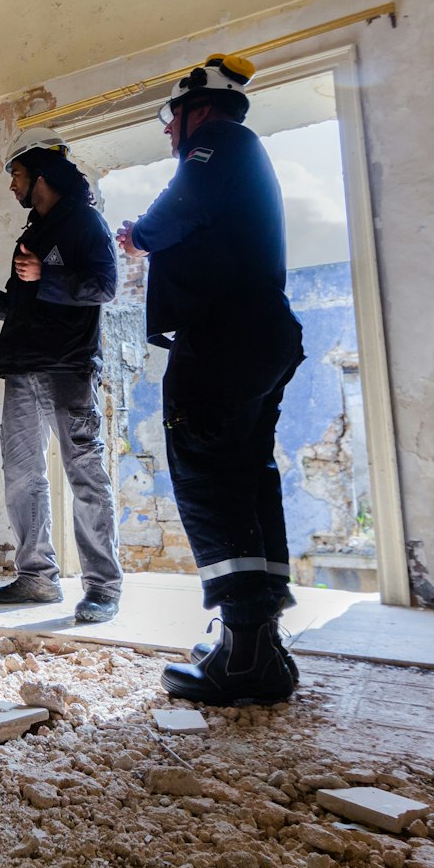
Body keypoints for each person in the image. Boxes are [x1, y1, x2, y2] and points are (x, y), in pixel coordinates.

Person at [117, 54, 306, 706]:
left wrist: (138, 236)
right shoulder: (240, 154)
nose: (169, 133)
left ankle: (244, 652)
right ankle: (257, 644)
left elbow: (172, 213)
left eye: (172, 119)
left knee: (207, 477)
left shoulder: (219, 144)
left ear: (197, 108)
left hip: (223, 334)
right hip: (254, 330)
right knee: (247, 481)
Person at [0, 128, 124, 624]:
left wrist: (49, 278)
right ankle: (37, 578)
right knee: (22, 475)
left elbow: (105, 287)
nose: (12, 186)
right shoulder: (31, 235)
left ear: (40, 174)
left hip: (68, 369)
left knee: (85, 474)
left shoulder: (87, 223)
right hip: (22, 371)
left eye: (16, 175)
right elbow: (17, 305)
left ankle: (103, 587)